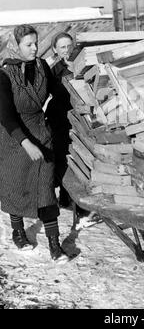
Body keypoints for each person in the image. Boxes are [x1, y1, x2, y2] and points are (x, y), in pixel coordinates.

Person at [0, 25, 68, 262]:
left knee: (46, 189)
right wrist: (25, 143)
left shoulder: (41, 67)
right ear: (15, 46)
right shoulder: (4, 74)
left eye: (36, 43)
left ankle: (54, 243)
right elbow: (5, 115)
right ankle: (18, 231)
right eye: (28, 44)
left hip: (41, 131)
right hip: (14, 139)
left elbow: (57, 92)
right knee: (15, 186)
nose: (34, 48)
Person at [45, 32, 74, 208]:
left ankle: (70, 196)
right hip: (61, 119)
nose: (67, 50)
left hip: (82, 119)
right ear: (55, 49)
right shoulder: (53, 71)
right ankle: (64, 195)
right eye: (62, 47)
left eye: (69, 46)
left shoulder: (83, 64)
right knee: (63, 157)